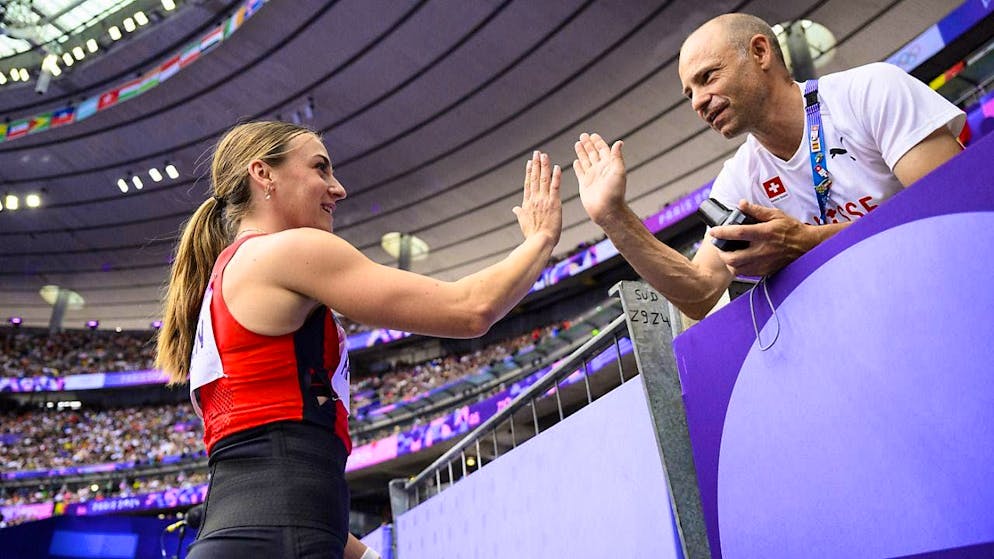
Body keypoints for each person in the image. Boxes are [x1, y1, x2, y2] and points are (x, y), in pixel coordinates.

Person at [155, 121, 562, 558]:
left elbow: (272, 487)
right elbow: (469, 309)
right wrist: (540, 239)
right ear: (263, 174)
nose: (339, 188)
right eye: (320, 168)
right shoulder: (288, 251)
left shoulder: (222, 281)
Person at [573, 13, 964, 320]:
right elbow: (700, 292)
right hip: (872, 326)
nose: (697, 102)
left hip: (954, 284)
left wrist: (807, 242)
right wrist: (613, 217)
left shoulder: (871, 91)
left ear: (760, 53)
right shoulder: (738, 179)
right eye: (689, 93)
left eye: (707, 77)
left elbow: (953, 208)